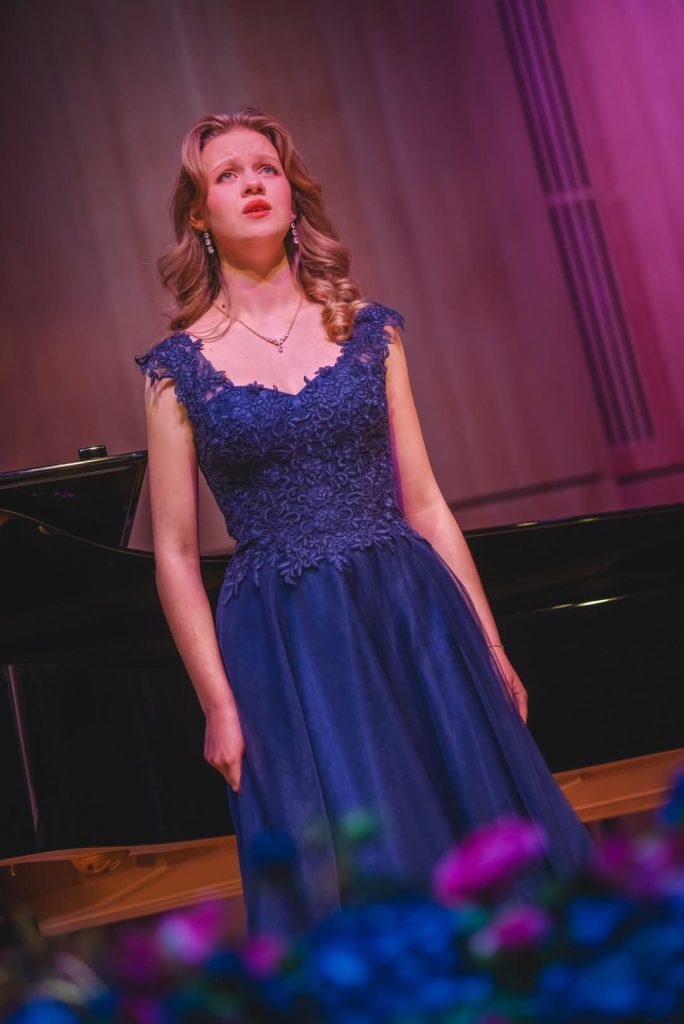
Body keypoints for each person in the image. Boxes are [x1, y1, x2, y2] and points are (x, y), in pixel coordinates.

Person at [135, 105, 593, 938]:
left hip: (408, 610)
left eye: (267, 168)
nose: (253, 184)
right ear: (198, 214)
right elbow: (172, 553)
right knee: (354, 860)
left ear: (292, 195)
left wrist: (490, 646)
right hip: (284, 637)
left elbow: (426, 501)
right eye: (228, 175)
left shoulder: (368, 329)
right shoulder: (177, 370)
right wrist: (218, 702)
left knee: (475, 839)